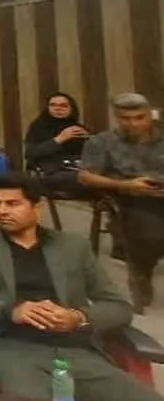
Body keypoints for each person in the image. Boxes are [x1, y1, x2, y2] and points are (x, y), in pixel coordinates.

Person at [0, 173, 164, 401]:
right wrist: (10, 311)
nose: (2, 211)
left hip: (75, 348)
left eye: (13, 203)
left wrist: (78, 317)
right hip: (13, 348)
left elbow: (118, 306)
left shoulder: (72, 246)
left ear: (38, 207)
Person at [78, 92, 164, 311]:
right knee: (150, 234)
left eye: (139, 117)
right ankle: (141, 272)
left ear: (150, 115)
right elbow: (86, 176)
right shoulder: (101, 142)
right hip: (129, 198)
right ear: (117, 117)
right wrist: (126, 185)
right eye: (126, 118)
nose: (133, 123)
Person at [24, 92, 90, 192]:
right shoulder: (38, 127)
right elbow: (31, 153)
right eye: (53, 105)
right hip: (48, 171)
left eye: (63, 105)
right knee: (85, 179)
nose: (58, 108)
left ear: (71, 109)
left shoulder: (77, 128)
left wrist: (89, 140)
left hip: (76, 167)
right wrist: (59, 139)